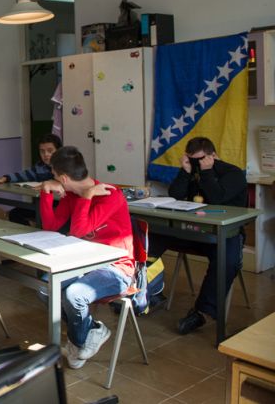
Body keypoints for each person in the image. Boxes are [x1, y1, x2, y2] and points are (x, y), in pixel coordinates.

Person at [38, 146, 135, 370]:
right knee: (45, 288)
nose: (52, 178)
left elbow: (79, 231)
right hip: (84, 262)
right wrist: (46, 192)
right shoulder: (71, 195)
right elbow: (50, 226)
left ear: (63, 178)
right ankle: (91, 331)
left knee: (74, 294)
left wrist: (88, 196)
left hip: (116, 268)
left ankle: (78, 341)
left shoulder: (110, 195)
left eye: (53, 175)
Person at [149, 137, 247, 335]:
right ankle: (144, 290)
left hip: (226, 233)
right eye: (193, 160)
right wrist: (185, 172)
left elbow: (218, 198)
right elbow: (175, 195)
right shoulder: (191, 170)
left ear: (213, 155)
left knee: (227, 261)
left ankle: (202, 312)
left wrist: (207, 172)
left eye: (201, 160)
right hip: (194, 230)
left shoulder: (233, 173)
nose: (197, 164)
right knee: (154, 235)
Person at [0, 133, 62, 225]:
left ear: (59, 151)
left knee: (49, 220)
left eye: (50, 151)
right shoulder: (39, 167)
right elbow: (25, 174)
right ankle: (31, 228)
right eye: (42, 151)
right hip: (40, 205)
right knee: (14, 214)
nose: (46, 154)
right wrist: (6, 178)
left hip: (59, 208)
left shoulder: (66, 166)